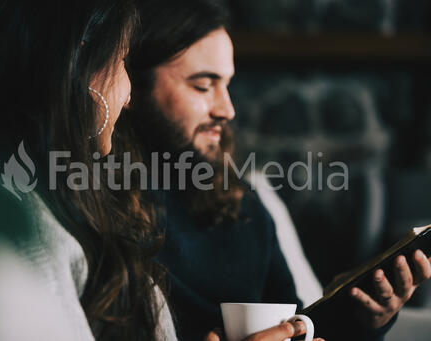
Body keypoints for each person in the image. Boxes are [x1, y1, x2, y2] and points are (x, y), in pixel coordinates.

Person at [112, 0, 431, 340]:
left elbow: (297, 324)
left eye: (227, 85)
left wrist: (361, 317)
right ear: (131, 85)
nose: (227, 109)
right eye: (203, 86)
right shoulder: (97, 211)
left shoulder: (242, 207)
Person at [0, 0, 177, 340]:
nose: (130, 95)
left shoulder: (52, 201)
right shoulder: (20, 225)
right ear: (78, 65)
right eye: (122, 60)